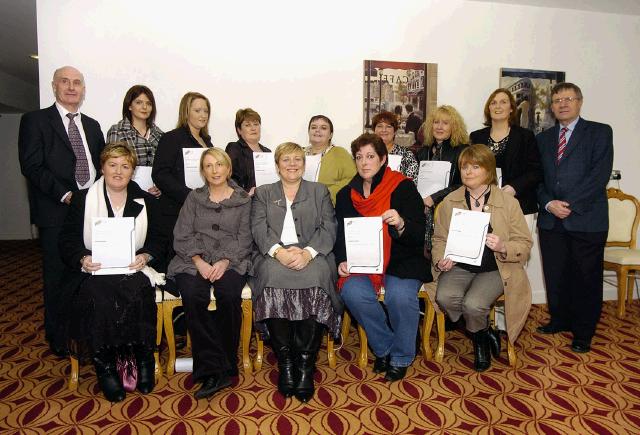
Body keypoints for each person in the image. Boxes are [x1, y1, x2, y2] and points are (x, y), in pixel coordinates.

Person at [58, 143, 165, 402]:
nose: (119, 171)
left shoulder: (146, 200)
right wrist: (83, 258)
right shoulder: (83, 199)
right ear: (102, 167)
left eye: (125, 166)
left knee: (138, 290)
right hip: (93, 271)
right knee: (98, 294)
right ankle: (104, 366)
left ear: (133, 171)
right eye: (113, 165)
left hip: (133, 268)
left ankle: (142, 359)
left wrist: (145, 255)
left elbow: (160, 239)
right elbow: (67, 240)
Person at [18, 66, 105, 357]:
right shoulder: (35, 120)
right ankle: (58, 338)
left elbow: (101, 167)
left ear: (83, 90)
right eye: (65, 82)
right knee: (57, 276)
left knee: (91, 274)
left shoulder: (92, 126)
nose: (71, 87)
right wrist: (66, 195)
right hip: (56, 210)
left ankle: (88, 335)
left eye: (77, 83)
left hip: (91, 212)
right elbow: (31, 165)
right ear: (54, 87)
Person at [250, 142, 342, 403]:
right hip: (272, 255)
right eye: (286, 160)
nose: (292, 164)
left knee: (316, 281)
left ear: (305, 164)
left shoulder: (319, 191)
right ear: (277, 165)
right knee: (272, 281)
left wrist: (308, 253)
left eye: (297, 159)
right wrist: (279, 252)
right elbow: (258, 228)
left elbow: (328, 227)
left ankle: (305, 364)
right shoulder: (264, 193)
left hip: (313, 254)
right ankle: (286, 363)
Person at [335, 133, 429, 381]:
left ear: (382, 159)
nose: (364, 162)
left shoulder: (403, 186)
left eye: (370, 156)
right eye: (359, 157)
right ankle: (386, 347)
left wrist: (400, 223)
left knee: (399, 297)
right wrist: (341, 260)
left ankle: (401, 356)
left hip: (401, 258)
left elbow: (420, 232)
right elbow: (340, 235)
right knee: (353, 292)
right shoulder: (346, 195)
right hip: (363, 262)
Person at [432, 144, 532, 372]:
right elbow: (439, 239)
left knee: (473, 304)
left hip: (495, 267)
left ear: (488, 170)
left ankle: (480, 343)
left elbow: (525, 244)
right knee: (445, 297)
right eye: (464, 167)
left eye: (475, 166)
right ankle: (485, 331)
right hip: (460, 265)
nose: (468, 172)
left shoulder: (508, 202)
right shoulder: (450, 201)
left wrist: (503, 245)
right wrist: (441, 259)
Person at [167, 148, 252, 400]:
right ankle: (216, 367)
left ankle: (223, 363)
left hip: (232, 260)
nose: (215, 170)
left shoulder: (243, 200)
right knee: (193, 295)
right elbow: (181, 234)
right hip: (191, 259)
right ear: (203, 171)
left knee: (228, 294)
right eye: (209, 166)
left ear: (228, 169)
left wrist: (226, 260)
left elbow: (245, 237)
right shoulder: (194, 198)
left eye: (219, 165)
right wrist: (198, 261)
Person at [536, 83, 613, 353]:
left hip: (586, 219)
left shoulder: (599, 132)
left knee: (586, 278)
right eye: (557, 100)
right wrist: (548, 204)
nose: (562, 104)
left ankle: (583, 331)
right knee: (555, 274)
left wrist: (568, 205)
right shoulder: (543, 139)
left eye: (568, 99)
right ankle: (560, 319)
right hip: (551, 220)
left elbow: (599, 176)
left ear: (580, 102)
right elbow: (539, 180)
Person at [152, 91, 213, 272]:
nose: (203, 115)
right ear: (186, 112)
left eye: (206, 111)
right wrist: (189, 195)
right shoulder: (172, 138)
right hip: (176, 212)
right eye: (197, 110)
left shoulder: (207, 142)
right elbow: (160, 174)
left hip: (202, 212)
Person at [470, 88, 542, 217]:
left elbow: (536, 171)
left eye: (503, 102)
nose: (498, 106)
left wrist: (514, 188)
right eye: (493, 103)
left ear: (511, 109)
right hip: (483, 206)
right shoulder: (476, 137)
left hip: (519, 205)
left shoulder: (525, 136)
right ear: (488, 109)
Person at [416, 105, 468, 257]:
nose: (439, 127)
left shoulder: (462, 151)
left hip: (449, 211)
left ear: (454, 127)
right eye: (436, 122)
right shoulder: (423, 151)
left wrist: (434, 198)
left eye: (445, 123)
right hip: (424, 211)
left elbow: (463, 184)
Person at [106, 85, 164, 197]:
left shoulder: (160, 134)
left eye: (149, 103)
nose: (144, 107)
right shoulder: (117, 131)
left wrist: (161, 187)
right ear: (129, 106)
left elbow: (164, 169)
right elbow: (112, 167)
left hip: (155, 199)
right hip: (126, 195)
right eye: (139, 102)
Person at [305, 115, 356, 205]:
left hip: (328, 207)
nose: (317, 130)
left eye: (323, 128)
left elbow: (352, 179)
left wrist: (326, 193)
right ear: (309, 132)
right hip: (301, 208)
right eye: (313, 127)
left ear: (330, 135)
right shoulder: (298, 154)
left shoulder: (340, 153)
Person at [225, 108, 270, 195]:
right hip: (244, 201)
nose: (253, 128)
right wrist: (246, 194)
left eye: (256, 124)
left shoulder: (267, 152)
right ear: (239, 130)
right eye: (247, 125)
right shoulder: (234, 148)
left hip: (266, 200)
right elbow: (228, 178)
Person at [372, 111, 419, 180]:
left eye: (388, 126)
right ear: (374, 130)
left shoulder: (406, 155)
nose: (384, 130)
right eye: (380, 126)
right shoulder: (367, 154)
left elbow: (413, 183)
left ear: (395, 131)